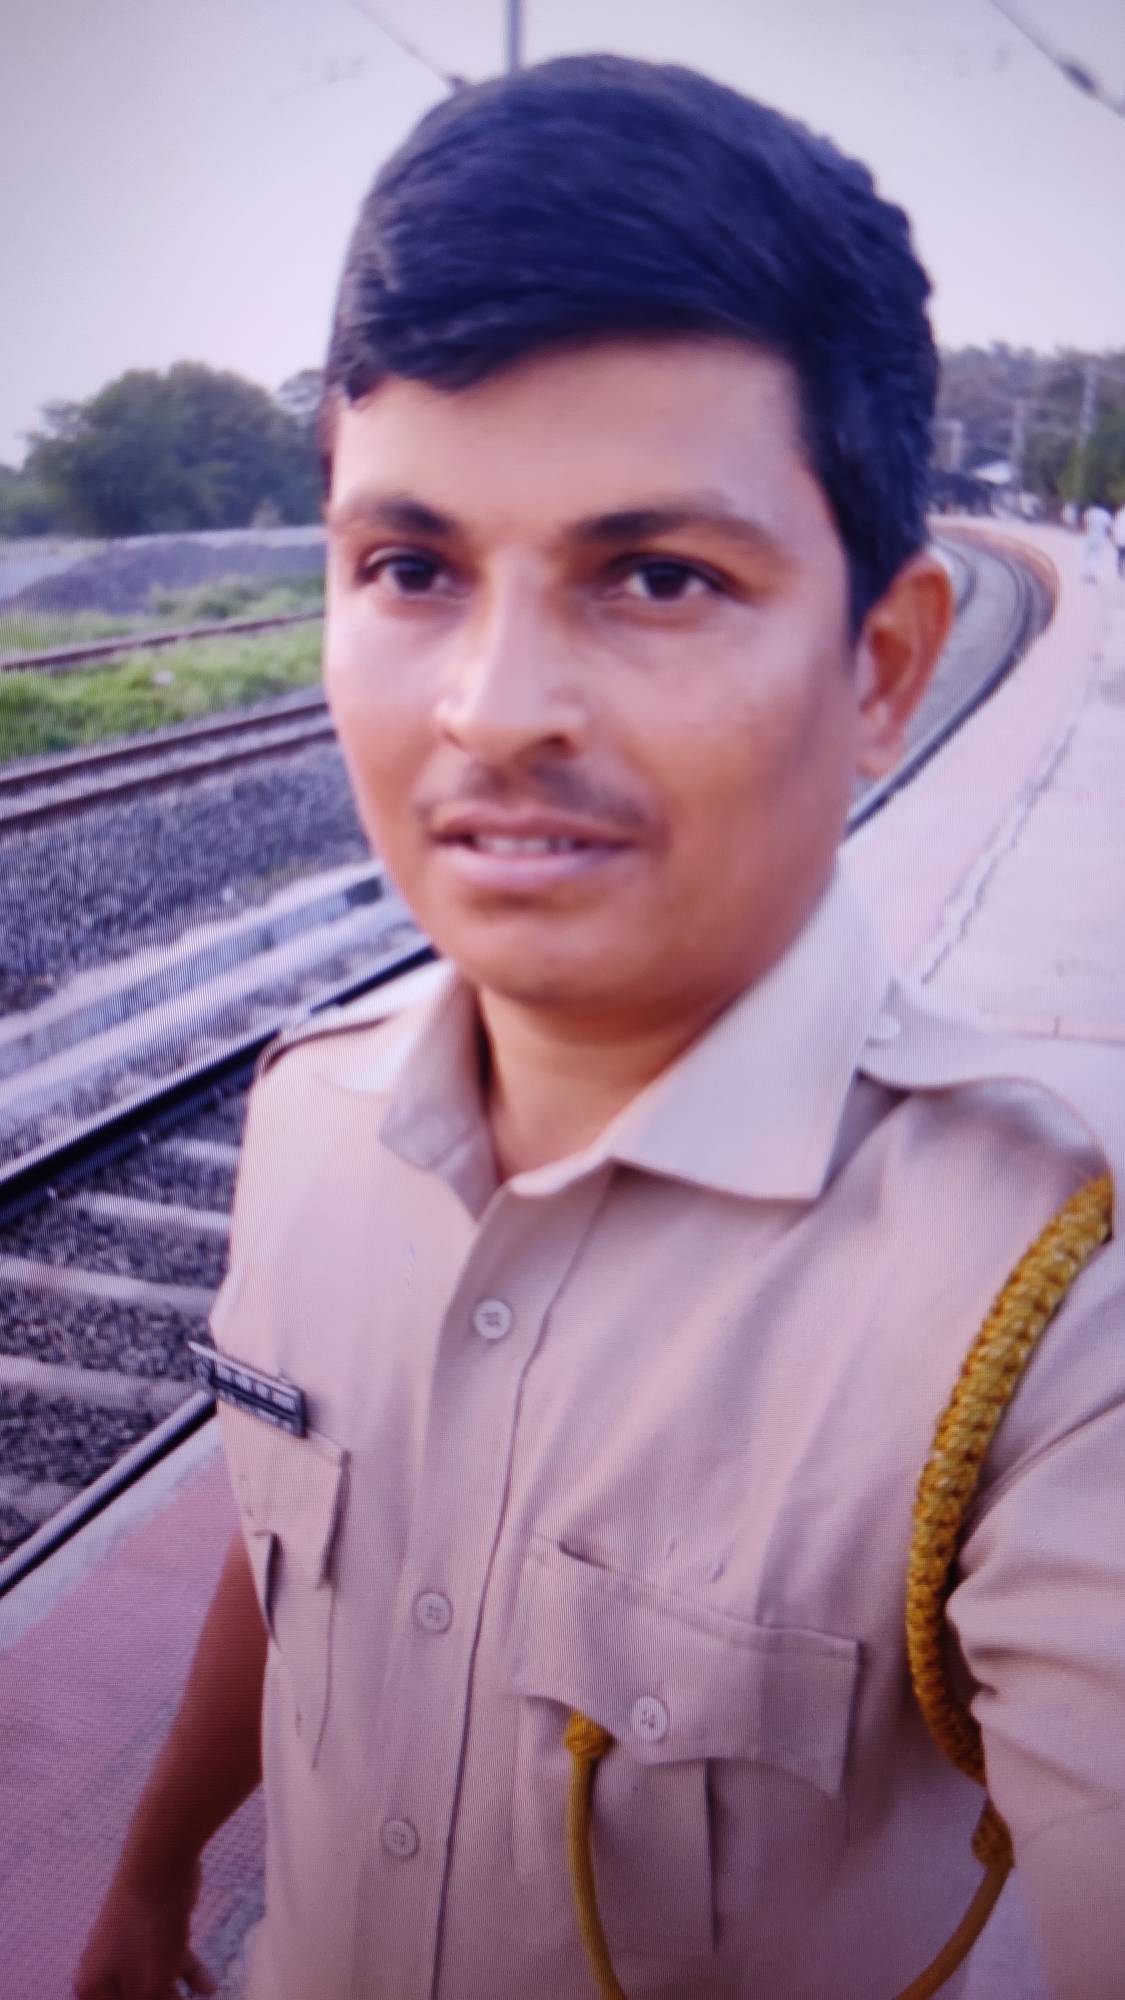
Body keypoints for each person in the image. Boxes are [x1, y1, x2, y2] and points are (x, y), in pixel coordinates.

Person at [75, 55, 1125, 2000]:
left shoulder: (1049, 1323)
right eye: (409, 567)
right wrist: (152, 1873)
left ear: (881, 665)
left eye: (655, 575)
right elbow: (292, 1526)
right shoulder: (309, 1122)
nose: (490, 708)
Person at [1081, 500, 1113, 583]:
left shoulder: (1090, 512)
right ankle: (1093, 574)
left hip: (1090, 536)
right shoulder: (1105, 514)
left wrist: (1085, 531)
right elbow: (1109, 528)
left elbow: (1085, 523)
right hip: (1100, 538)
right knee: (1096, 556)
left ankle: (1087, 573)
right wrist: (1110, 537)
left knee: (1088, 555)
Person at [1113, 499, 1125, 580]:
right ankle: (1120, 568)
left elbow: (1116, 524)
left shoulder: (1120, 513)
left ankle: (1120, 568)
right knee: (1122, 554)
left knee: (1120, 554)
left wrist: (1114, 535)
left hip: (1120, 537)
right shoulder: (1120, 513)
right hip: (1121, 536)